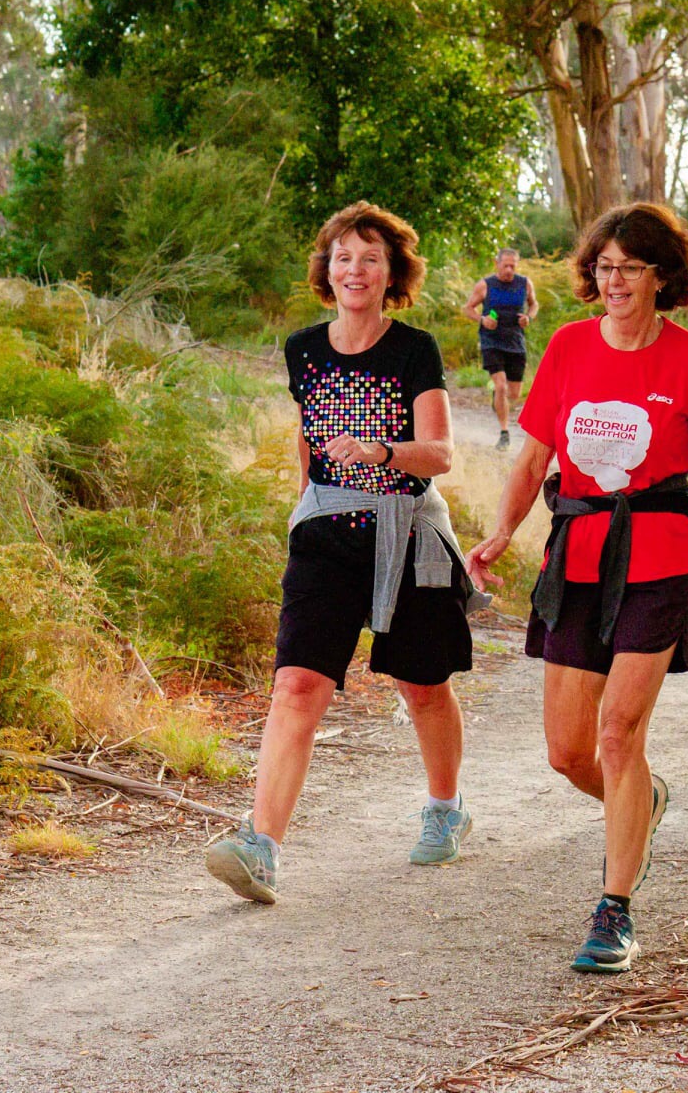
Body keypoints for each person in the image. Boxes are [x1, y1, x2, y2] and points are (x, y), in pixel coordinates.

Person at [466, 203, 688, 973]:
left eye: (630, 268)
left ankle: (614, 912)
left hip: (662, 558)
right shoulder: (570, 347)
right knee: (570, 754)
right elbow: (533, 455)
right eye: (604, 266)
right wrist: (505, 531)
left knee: (618, 735)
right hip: (575, 560)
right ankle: (640, 802)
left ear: (660, 277)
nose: (614, 280)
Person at [206, 202, 489, 904]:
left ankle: (446, 808)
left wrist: (381, 451)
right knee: (297, 685)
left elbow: (443, 452)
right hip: (327, 535)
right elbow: (306, 435)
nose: (354, 269)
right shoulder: (303, 348)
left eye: (369, 258)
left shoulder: (413, 348)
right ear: (326, 271)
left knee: (423, 687)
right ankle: (261, 846)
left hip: (409, 532)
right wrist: (307, 502)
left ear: (391, 273)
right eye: (342, 257)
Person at [462, 248, 538, 449]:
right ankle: (504, 433)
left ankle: (496, 394)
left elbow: (534, 305)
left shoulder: (524, 283)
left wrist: (528, 317)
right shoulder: (486, 285)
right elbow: (467, 308)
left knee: (514, 393)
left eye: (513, 265)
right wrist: (482, 319)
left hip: (515, 342)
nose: (509, 269)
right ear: (497, 264)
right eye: (505, 265)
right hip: (491, 341)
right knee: (502, 386)